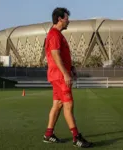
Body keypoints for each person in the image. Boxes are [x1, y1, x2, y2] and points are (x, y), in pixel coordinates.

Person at [43, 7, 93, 148]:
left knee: (58, 104)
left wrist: (71, 68)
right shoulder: (54, 35)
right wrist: (65, 73)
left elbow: (62, 56)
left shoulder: (57, 34)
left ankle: (48, 134)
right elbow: (55, 54)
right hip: (59, 76)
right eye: (66, 18)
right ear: (59, 19)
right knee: (68, 104)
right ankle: (76, 137)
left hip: (57, 74)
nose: (68, 21)